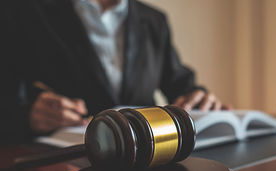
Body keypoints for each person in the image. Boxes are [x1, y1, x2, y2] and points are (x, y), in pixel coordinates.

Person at [0, 0, 228, 142]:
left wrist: (199, 98)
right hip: (62, 169)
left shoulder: (154, 20)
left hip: (145, 160)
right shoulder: (22, 10)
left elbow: (179, 83)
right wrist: (27, 117)